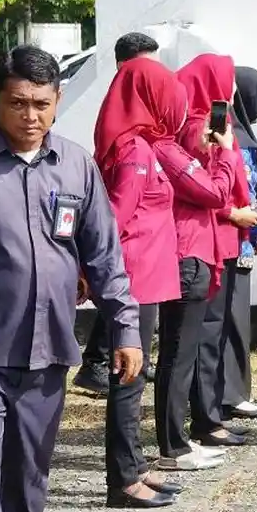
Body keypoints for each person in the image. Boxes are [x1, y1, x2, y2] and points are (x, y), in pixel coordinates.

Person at [0, 46, 141, 512]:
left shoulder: (76, 164)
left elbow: (103, 253)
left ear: (58, 100)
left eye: (42, 105)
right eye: (18, 104)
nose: (31, 117)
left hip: (47, 350)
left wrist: (126, 328)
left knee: (30, 469)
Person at [91, 57, 191, 509]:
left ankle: (133, 468)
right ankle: (123, 480)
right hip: (136, 279)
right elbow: (114, 218)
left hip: (145, 276)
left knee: (131, 379)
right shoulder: (134, 152)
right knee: (128, 380)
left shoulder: (139, 145)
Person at [154, 58, 240, 471]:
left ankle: (179, 439)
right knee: (178, 353)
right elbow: (215, 193)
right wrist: (222, 155)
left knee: (180, 352)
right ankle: (174, 445)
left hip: (194, 247)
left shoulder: (190, 128)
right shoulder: (193, 131)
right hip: (189, 249)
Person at [75, 31, 166, 396]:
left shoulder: (139, 133)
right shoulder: (131, 143)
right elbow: (116, 211)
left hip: (134, 254)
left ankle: (98, 361)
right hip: (130, 254)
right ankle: (97, 362)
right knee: (128, 378)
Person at [177, 54, 257, 450]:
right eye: (225, 82)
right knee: (207, 335)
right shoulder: (198, 129)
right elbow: (208, 190)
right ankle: (206, 419)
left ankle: (211, 414)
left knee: (216, 333)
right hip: (214, 236)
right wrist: (235, 212)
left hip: (227, 237)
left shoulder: (213, 124)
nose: (230, 92)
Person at [217, 66, 257, 422]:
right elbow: (243, 191)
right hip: (231, 241)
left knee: (233, 321)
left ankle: (232, 392)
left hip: (238, 240)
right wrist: (253, 231)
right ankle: (232, 395)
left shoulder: (236, 133)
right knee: (231, 322)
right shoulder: (233, 137)